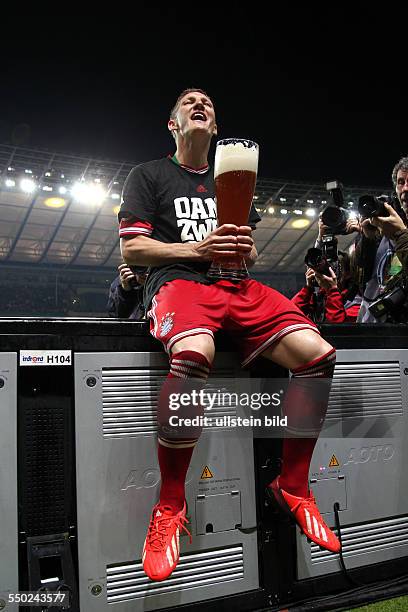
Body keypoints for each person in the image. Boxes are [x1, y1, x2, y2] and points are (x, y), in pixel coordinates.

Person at [118, 88, 341, 582]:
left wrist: (245, 253)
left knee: (319, 354)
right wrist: (199, 251)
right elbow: (133, 250)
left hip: (237, 287)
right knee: (195, 352)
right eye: (188, 101)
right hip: (182, 283)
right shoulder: (148, 175)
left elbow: (247, 250)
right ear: (172, 123)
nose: (201, 104)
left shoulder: (228, 177)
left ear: (215, 128)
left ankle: (293, 485)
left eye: (209, 103)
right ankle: (170, 505)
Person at [356, 156, 408, 322]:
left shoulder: (398, 231)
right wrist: (367, 240)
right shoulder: (387, 227)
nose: (405, 188)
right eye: (401, 182)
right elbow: (361, 279)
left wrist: (401, 235)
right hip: (373, 326)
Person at [292, 251, 361, 323]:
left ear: (348, 274)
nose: (329, 271)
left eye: (334, 268)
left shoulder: (355, 301)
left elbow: (339, 329)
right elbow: (291, 315)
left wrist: (332, 290)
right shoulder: (321, 295)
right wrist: (308, 288)